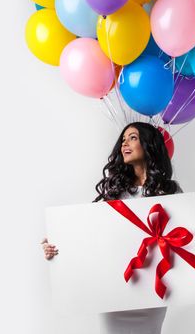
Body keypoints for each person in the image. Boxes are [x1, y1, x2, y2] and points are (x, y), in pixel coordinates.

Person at [41, 121, 183, 334]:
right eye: (123, 140)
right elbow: (91, 236)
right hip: (114, 291)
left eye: (132, 138)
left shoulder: (170, 191)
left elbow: (182, 238)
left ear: (149, 144)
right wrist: (56, 247)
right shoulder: (114, 192)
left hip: (151, 290)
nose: (125, 143)